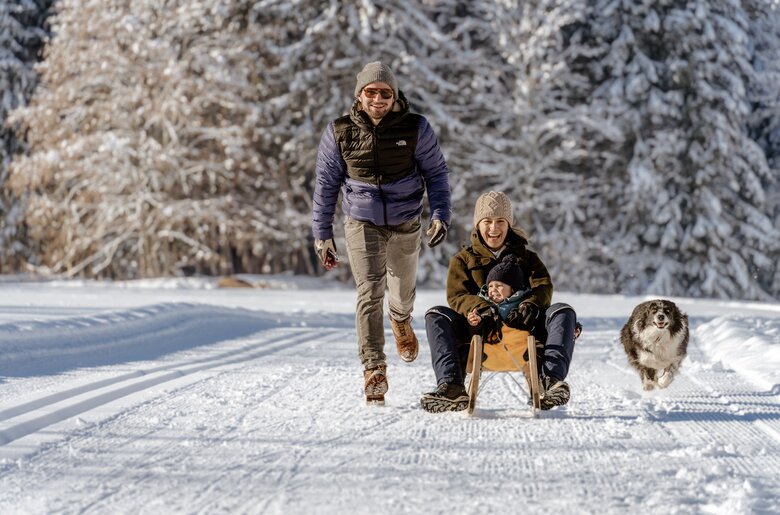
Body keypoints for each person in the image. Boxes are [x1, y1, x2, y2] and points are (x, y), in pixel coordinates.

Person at [312, 61, 452, 405]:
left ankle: (401, 318)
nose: (378, 99)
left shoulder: (416, 127)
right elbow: (326, 185)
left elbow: (436, 174)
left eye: (385, 93)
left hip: (405, 220)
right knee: (370, 289)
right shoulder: (339, 131)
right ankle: (373, 367)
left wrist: (440, 215)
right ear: (359, 95)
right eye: (371, 92)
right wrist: (322, 233)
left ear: (394, 96)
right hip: (361, 222)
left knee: (401, 292)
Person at [420, 191, 580, 413]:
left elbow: (543, 287)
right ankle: (452, 387)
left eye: (500, 222)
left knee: (563, 311)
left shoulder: (527, 258)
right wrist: (481, 309)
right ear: (478, 224)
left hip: (523, 335)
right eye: (487, 221)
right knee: (436, 315)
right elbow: (457, 296)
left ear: (509, 225)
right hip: (479, 335)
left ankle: (550, 381)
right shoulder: (463, 260)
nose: (493, 228)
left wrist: (530, 304)